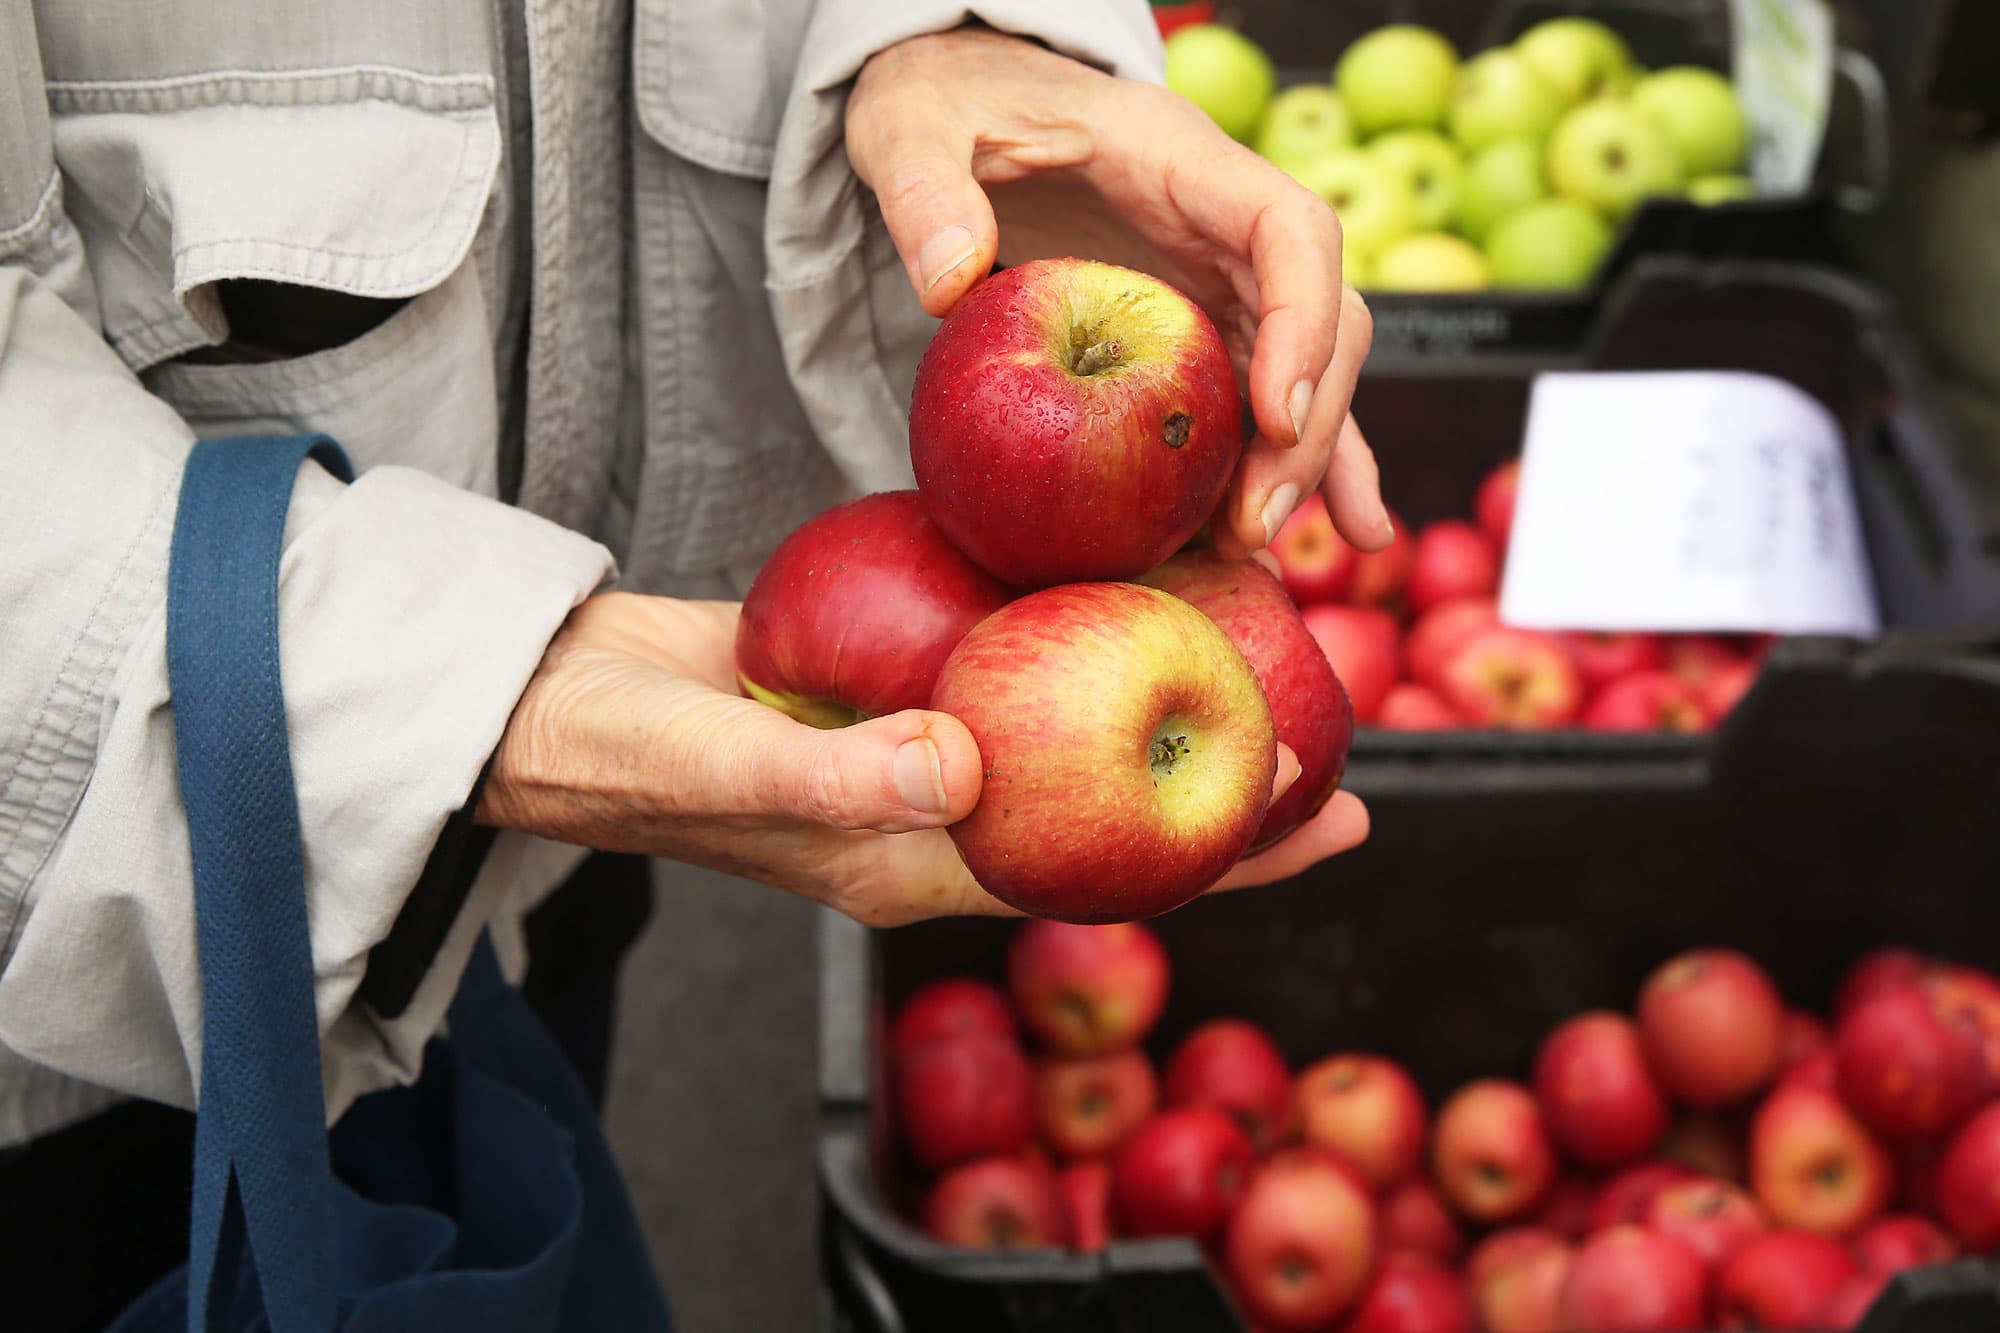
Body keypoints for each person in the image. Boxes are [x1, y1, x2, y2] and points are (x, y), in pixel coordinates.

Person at [0, 1, 1381, 1324]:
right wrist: (455, 696)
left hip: (538, 845)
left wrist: (947, 36)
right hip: (79, 952)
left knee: (512, 1179)